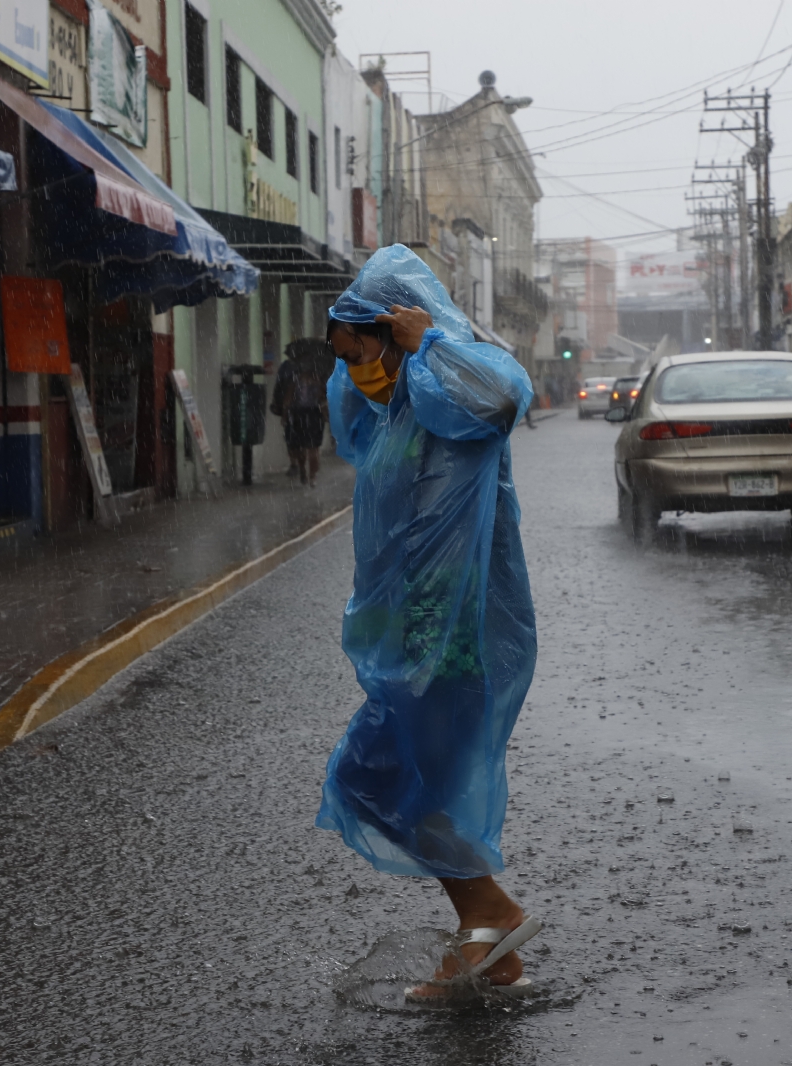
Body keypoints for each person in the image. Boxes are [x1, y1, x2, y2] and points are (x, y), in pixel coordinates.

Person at [316, 245, 541, 997]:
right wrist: (364, 359)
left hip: (456, 636)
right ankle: (487, 939)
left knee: (384, 777)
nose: (356, 370)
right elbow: (351, 421)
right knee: (399, 780)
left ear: (399, 329)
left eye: (363, 352)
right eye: (344, 357)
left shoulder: (456, 377)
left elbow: (504, 400)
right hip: (410, 633)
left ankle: (493, 920)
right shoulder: (395, 409)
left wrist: (430, 341)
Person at [274, 339, 328, 485]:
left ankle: (309, 475)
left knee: (308, 447)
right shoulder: (301, 380)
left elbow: (288, 399)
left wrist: (285, 415)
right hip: (306, 415)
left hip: (303, 414)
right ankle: (309, 474)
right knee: (309, 447)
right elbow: (288, 398)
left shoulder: (310, 380)